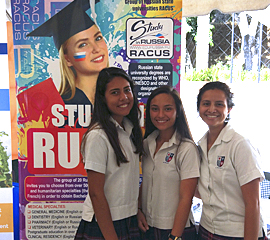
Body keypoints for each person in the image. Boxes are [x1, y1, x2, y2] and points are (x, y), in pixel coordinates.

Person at [74, 67, 144, 240]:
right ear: (103, 99)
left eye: (127, 90)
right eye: (115, 92)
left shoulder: (129, 130)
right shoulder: (98, 136)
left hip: (128, 218)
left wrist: (137, 211)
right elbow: (96, 193)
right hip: (104, 224)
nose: (124, 97)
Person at [196, 81, 266, 240]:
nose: (212, 109)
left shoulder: (240, 145)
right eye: (206, 104)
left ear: (229, 109)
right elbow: (205, 190)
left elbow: (253, 204)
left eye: (219, 104)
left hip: (238, 234)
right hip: (207, 229)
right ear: (199, 108)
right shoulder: (199, 146)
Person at [27, 0, 109, 127]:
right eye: (83, 44)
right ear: (67, 59)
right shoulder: (60, 109)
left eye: (98, 38)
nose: (96, 48)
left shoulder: (117, 97)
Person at [138, 86, 200, 240]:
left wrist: (175, 236)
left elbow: (187, 197)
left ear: (177, 111)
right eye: (154, 109)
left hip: (176, 230)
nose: (160, 115)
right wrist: (138, 209)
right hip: (148, 226)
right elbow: (145, 182)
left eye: (167, 109)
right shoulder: (147, 143)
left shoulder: (186, 148)